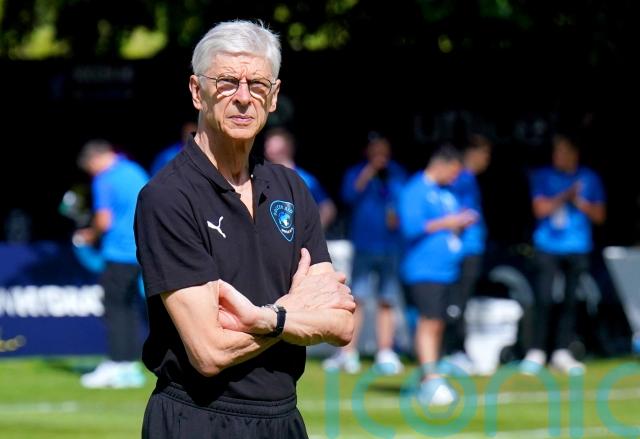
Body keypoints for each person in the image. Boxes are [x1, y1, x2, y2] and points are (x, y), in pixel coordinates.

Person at [134, 20, 355, 438]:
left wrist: (264, 317)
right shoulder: (168, 197)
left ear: (273, 96)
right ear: (197, 91)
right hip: (198, 418)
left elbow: (342, 326)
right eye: (226, 82)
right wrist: (292, 310)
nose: (242, 97)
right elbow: (209, 352)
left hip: (284, 418)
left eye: (257, 84)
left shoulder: (291, 187)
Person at [398, 144, 477, 406]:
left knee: (439, 323)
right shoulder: (415, 190)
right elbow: (410, 227)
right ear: (441, 164)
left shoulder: (446, 193)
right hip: (424, 269)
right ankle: (431, 380)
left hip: (447, 270)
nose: (455, 178)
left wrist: (461, 223)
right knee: (428, 322)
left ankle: (431, 376)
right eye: (453, 172)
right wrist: (449, 222)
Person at [520, 132, 606, 375]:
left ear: (574, 154)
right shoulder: (543, 176)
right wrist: (565, 196)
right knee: (543, 298)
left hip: (578, 246)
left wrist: (580, 202)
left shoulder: (589, 178)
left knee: (570, 301)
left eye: (563, 152)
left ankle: (562, 350)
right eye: (555, 152)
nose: (558, 156)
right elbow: (539, 209)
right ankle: (536, 351)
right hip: (548, 246)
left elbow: (600, 215)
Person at [322, 134, 407, 375]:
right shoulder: (357, 172)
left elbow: (402, 201)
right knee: (356, 298)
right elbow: (349, 196)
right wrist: (370, 171)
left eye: (384, 151)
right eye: (375, 151)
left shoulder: (396, 173)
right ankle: (348, 352)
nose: (381, 155)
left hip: (390, 245)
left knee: (387, 299)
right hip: (364, 244)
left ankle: (385, 351)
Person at [74, 139, 149, 388]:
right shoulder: (135, 170)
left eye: (90, 168)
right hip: (141, 250)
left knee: (114, 308)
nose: (91, 173)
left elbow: (103, 221)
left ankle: (117, 363)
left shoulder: (104, 178)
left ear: (95, 159)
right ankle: (128, 366)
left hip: (118, 252)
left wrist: (89, 235)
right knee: (128, 308)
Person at [443, 134, 492, 374]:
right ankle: (452, 351)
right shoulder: (460, 178)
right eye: (484, 153)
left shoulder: (469, 178)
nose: (487, 159)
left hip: (472, 247)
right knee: (456, 301)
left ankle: (457, 350)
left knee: (462, 301)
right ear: (472, 153)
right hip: (462, 250)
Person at [263, 126, 337, 229]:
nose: (268, 148)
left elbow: (328, 209)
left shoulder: (305, 179)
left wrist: (312, 233)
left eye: (272, 144)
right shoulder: (262, 178)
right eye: (267, 144)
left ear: (287, 148)